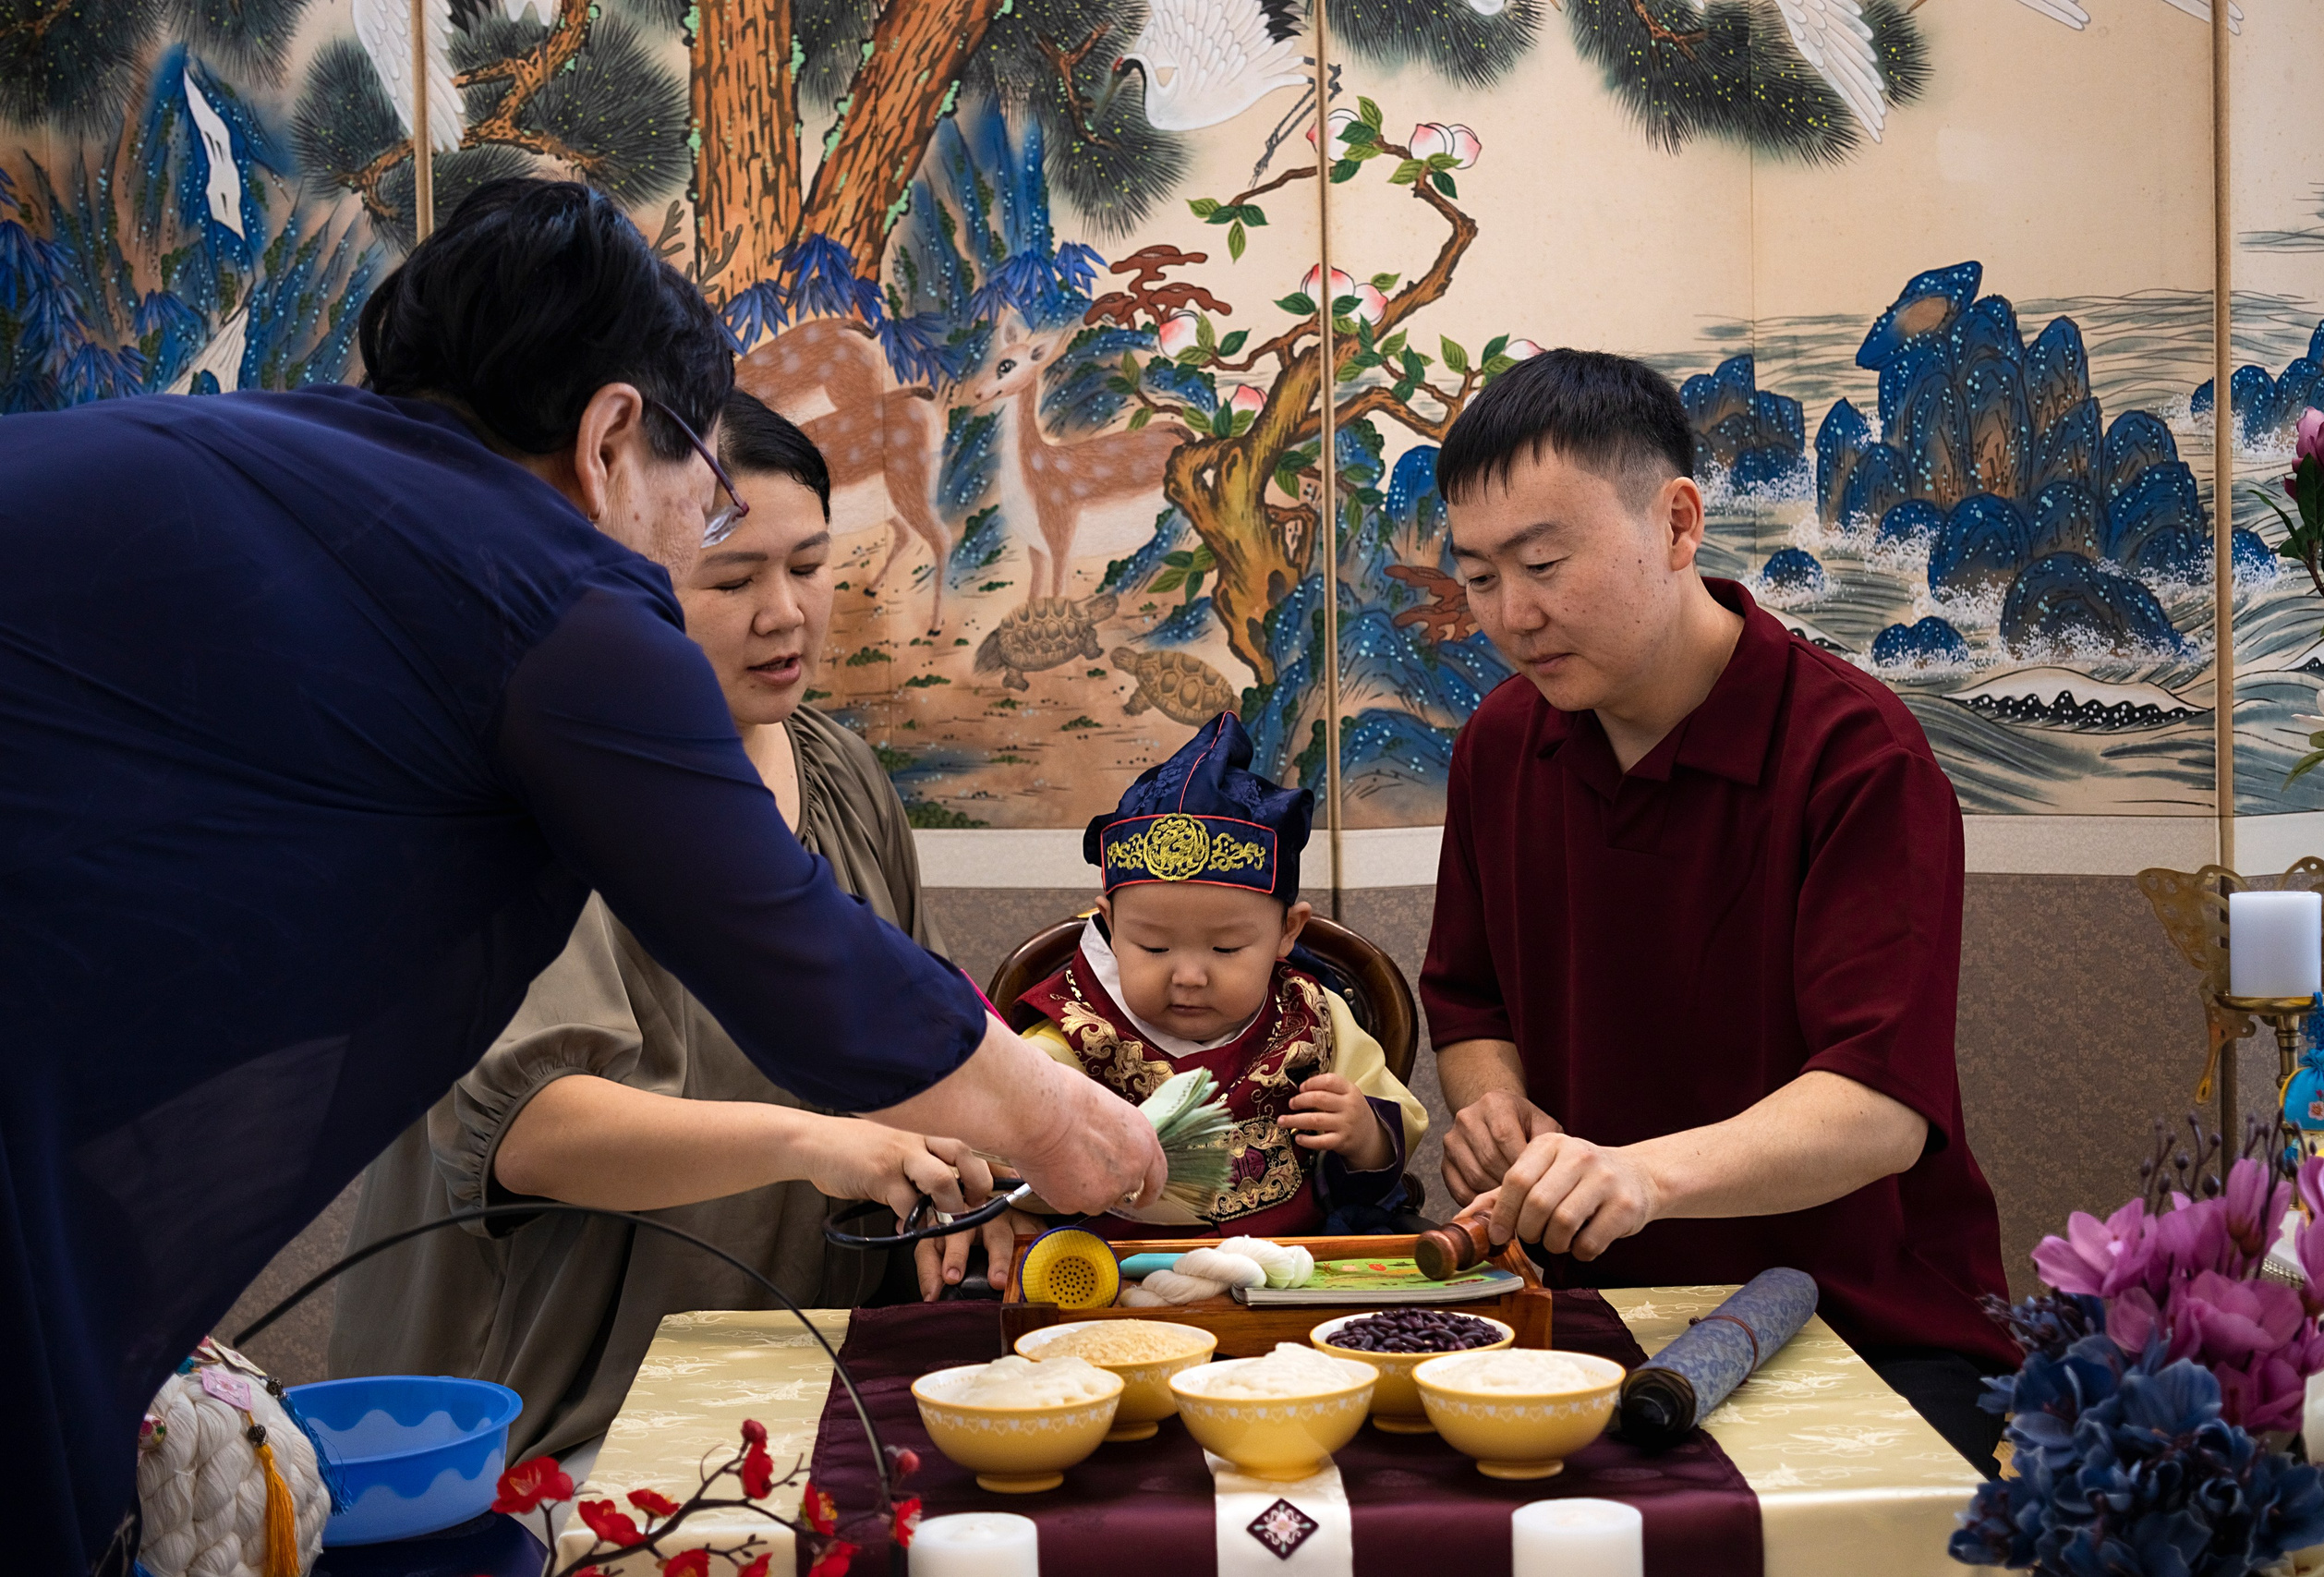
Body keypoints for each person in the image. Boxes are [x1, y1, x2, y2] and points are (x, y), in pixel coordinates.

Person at [0, 178, 1161, 1574]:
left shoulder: (292, 463)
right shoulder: (552, 591)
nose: (746, 590)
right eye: (709, 504)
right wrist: (1077, 1127)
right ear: (614, 435)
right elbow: (806, 968)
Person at [326, 393, 1011, 1465]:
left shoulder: (839, 773)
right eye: (732, 580)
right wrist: (814, 1145)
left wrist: (977, 1159)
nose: (783, 613)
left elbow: (908, 1039)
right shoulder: (544, 798)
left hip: (804, 1369)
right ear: (632, 576)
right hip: (571, 1406)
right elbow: (536, 1131)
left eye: (809, 565)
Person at [1418, 348, 2016, 1470]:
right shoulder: (1503, 743)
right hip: (1586, 1314)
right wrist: (1495, 1109)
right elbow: (1468, 998)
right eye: (1481, 576)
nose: (1513, 614)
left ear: (1679, 524)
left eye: (1544, 562)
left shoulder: (1855, 756)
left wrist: (1641, 1175)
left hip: (1857, 1323)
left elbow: (1877, 1107)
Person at [1009, 713, 1427, 1243]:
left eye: (1226, 948)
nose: (1188, 976)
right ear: (1110, 926)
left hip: (1292, 1266)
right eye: (1154, 946)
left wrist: (1365, 1134)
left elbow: (1396, 1125)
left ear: (1287, 932)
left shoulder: (1313, 1016)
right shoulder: (1071, 1029)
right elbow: (1000, 1149)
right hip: (1112, 1272)